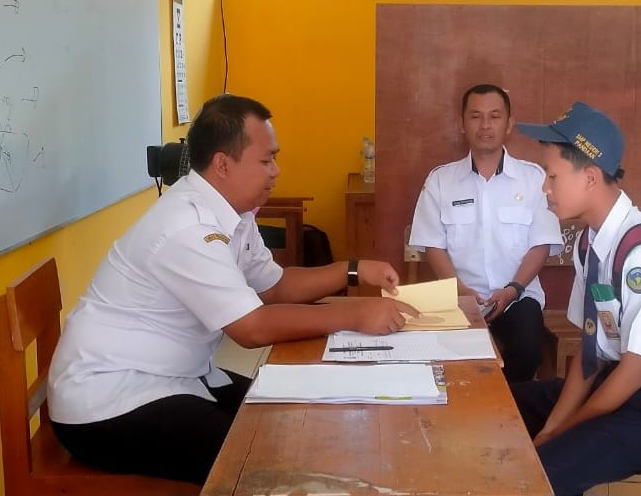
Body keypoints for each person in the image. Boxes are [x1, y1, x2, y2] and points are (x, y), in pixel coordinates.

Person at [47, 94, 417, 485]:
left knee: (287, 420)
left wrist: (352, 270)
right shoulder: (187, 227)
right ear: (223, 164)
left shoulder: (232, 213)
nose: (276, 171)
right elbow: (251, 329)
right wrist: (355, 314)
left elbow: (275, 286)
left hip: (176, 376)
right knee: (262, 461)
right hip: (110, 399)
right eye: (266, 160)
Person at [510, 102, 641, 496]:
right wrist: (552, 427)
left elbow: (635, 374)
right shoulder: (591, 244)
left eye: (551, 176)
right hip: (615, 382)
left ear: (589, 178)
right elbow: (591, 357)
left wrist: (558, 434)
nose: (544, 188)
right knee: (504, 404)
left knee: (538, 475)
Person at [408, 84, 563, 382]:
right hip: (458, 298)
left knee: (529, 348)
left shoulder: (533, 179)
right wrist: (460, 291)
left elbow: (541, 245)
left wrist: (512, 289)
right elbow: (432, 246)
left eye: (494, 116)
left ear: (509, 124)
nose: (485, 125)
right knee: (448, 365)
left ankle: (509, 404)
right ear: (462, 123)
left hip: (517, 296)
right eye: (476, 116)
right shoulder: (441, 181)